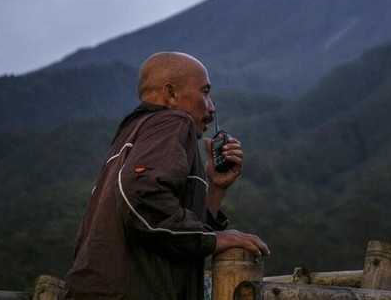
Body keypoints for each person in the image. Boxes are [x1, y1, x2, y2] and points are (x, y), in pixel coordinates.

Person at [63, 52, 269, 299]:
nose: (211, 107)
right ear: (172, 94)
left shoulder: (130, 136)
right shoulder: (173, 120)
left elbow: (165, 229)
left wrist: (215, 187)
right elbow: (142, 194)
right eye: (205, 92)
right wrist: (214, 239)